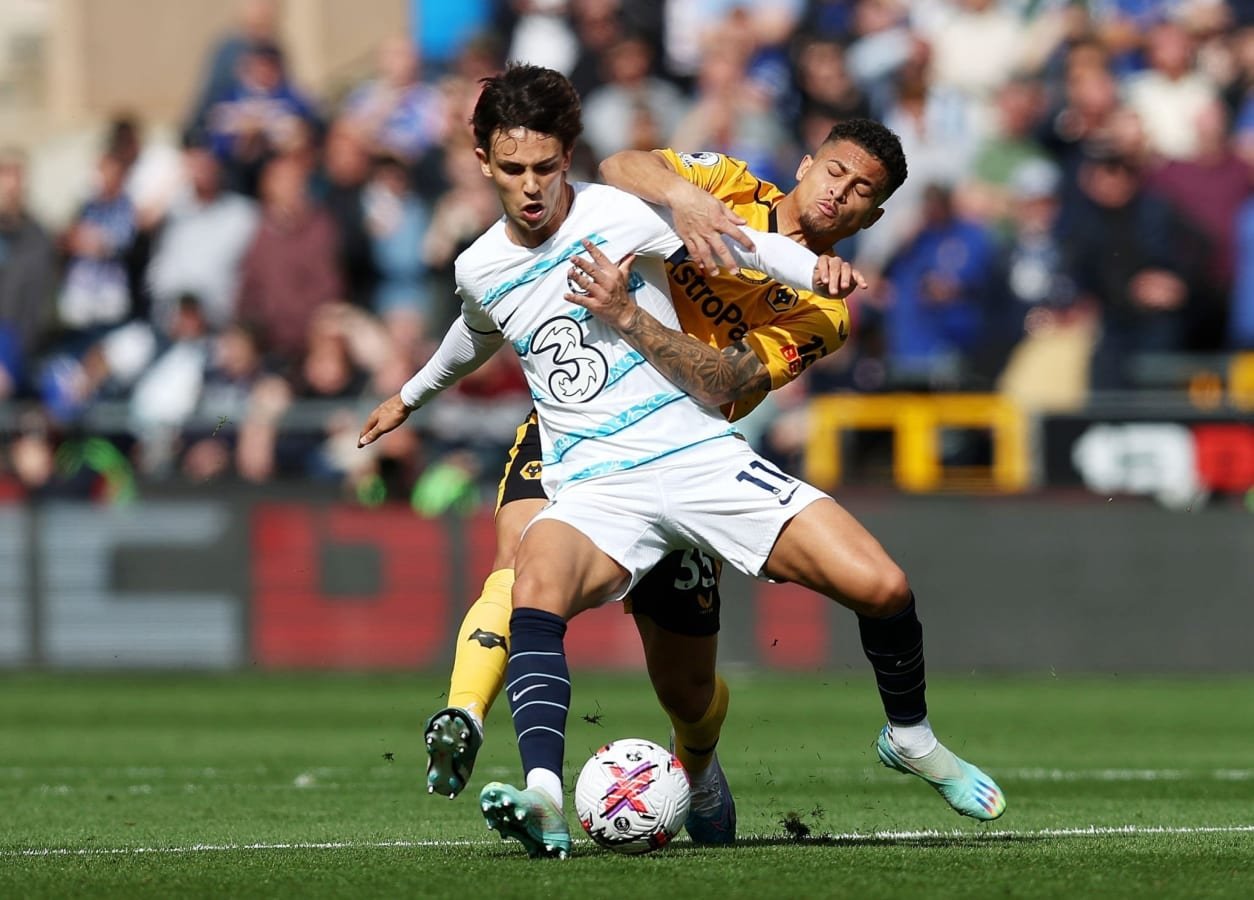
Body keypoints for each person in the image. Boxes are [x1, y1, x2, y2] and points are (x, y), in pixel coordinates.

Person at [360, 64, 1005, 859]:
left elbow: (724, 380)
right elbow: (620, 172)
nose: (840, 193)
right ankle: (509, 758)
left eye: (861, 191)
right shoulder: (720, 183)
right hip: (581, 436)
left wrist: (639, 311)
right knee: (523, 572)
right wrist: (686, 198)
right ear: (807, 164)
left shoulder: (823, 310)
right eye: (834, 171)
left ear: (874, 214)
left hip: (694, 446)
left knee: (721, 669)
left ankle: (760, 759)